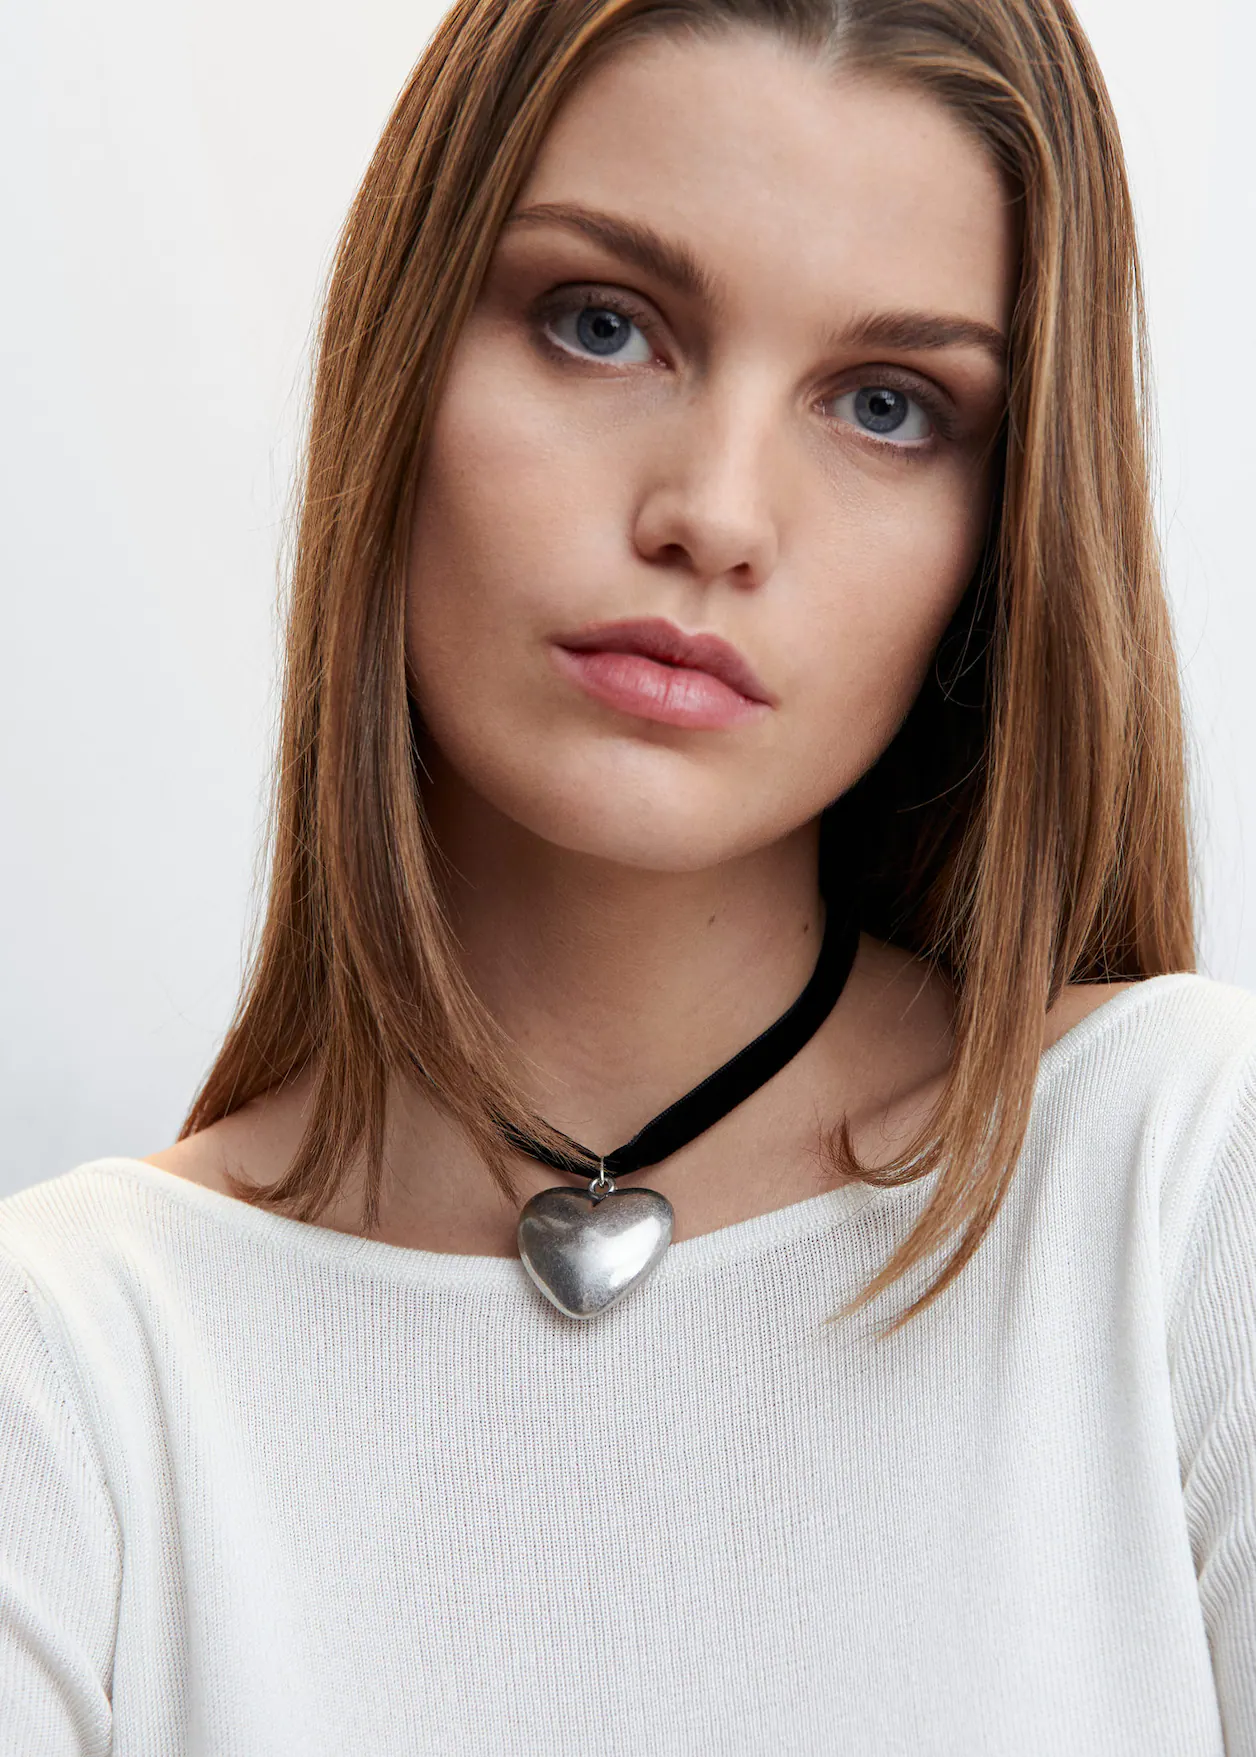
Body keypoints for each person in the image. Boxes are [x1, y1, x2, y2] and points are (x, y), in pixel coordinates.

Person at [2, 0, 1253, 1749]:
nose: (715, 513)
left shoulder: (1181, 1179)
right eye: (602, 324)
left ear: (1003, 535)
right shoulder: (69, 1366)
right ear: (401, 361)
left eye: (888, 406)